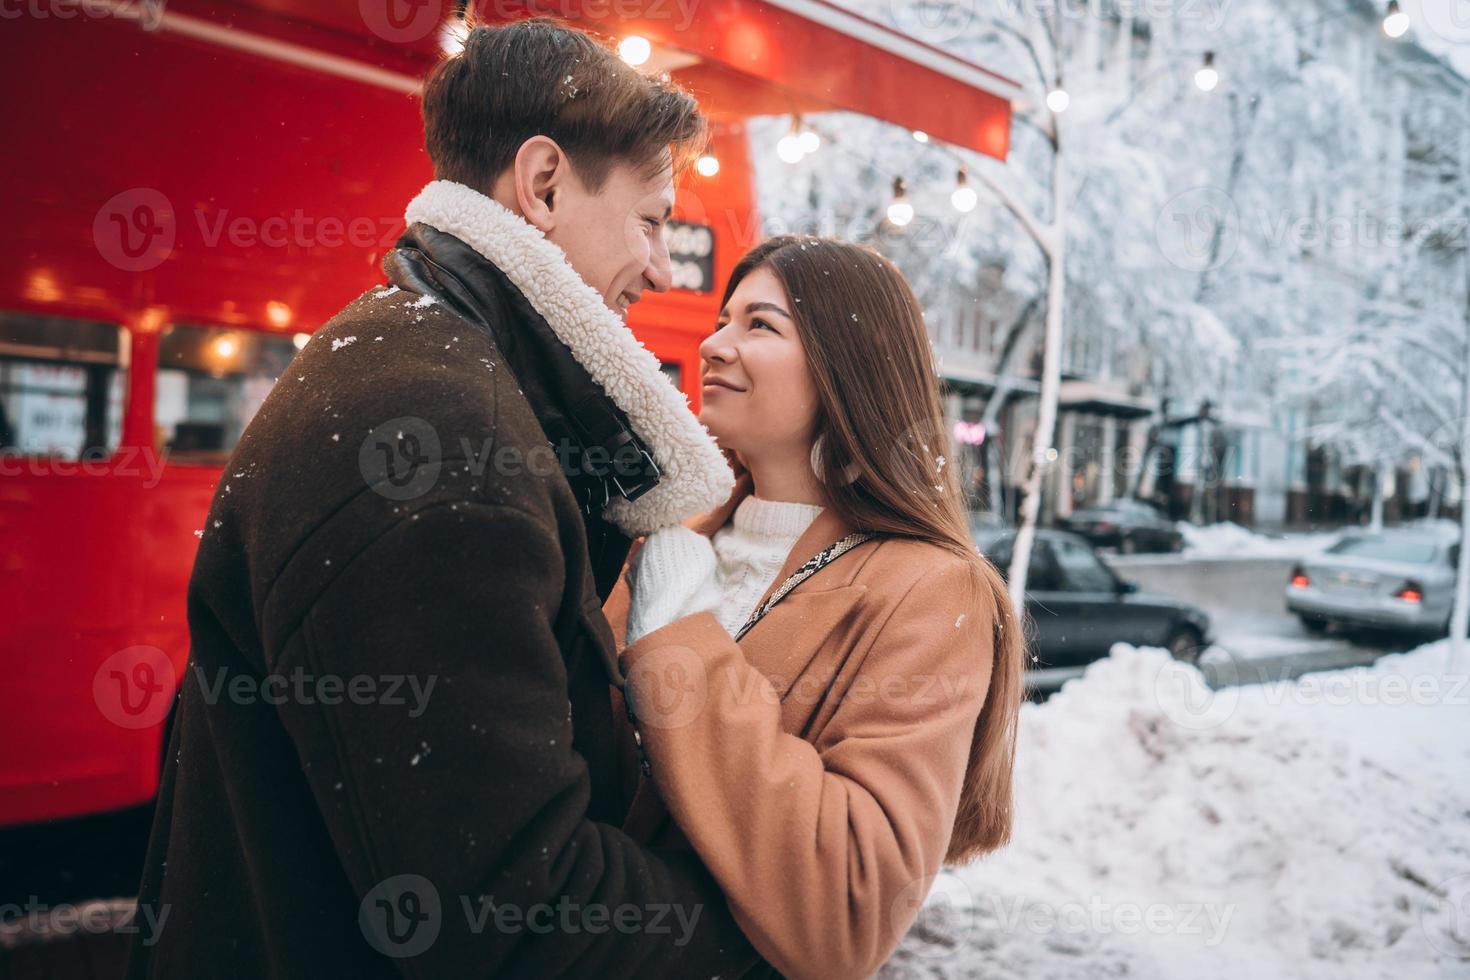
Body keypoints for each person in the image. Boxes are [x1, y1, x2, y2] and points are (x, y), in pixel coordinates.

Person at [127, 18, 756, 977]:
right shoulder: (443, 446)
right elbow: (517, 918)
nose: (667, 270)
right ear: (543, 185)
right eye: (652, 219)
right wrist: (764, 928)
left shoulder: (408, 368)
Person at [606, 236, 1026, 980]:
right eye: (723, 319)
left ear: (847, 367)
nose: (714, 345)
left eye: (759, 325)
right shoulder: (668, 544)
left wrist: (679, 639)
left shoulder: (928, 589)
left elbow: (849, 910)